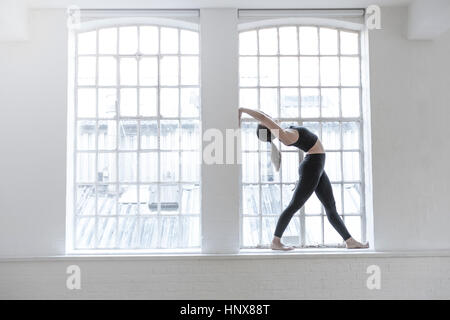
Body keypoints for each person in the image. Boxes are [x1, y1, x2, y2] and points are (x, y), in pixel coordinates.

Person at [239, 107, 369, 250]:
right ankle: (276, 241)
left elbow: (264, 116)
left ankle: (350, 241)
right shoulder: (284, 136)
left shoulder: (285, 132)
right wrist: (242, 110)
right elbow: (263, 118)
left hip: (316, 165)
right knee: (295, 205)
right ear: (269, 127)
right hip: (312, 166)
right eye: (268, 122)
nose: (270, 118)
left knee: (330, 206)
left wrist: (257, 116)